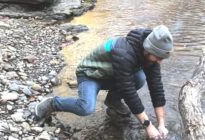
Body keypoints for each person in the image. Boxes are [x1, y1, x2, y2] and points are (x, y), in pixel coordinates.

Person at [35, 25, 174, 140]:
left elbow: (156, 87)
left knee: (139, 78)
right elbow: (129, 91)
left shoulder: (151, 55)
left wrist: (161, 124)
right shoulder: (124, 52)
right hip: (90, 74)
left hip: (111, 74)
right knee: (86, 108)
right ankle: (53, 103)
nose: (160, 61)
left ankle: (112, 101)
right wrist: (148, 126)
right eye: (158, 57)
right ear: (148, 49)